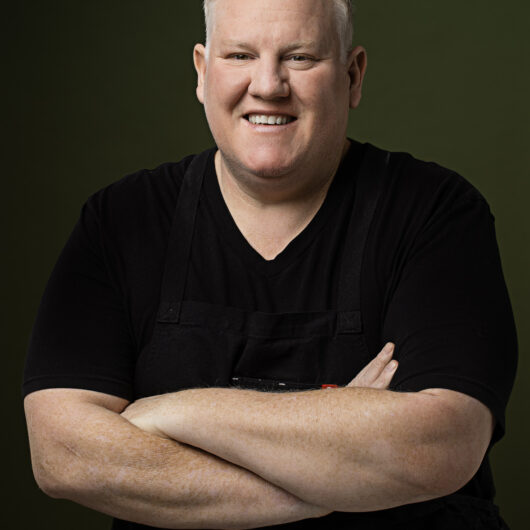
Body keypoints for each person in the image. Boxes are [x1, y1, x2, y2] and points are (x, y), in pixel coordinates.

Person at [22, 0, 517, 528]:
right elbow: (63, 456)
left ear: (352, 76)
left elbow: (440, 446)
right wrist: (344, 465)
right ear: (202, 71)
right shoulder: (121, 220)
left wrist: (173, 413)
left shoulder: (435, 213)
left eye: (299, 57)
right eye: (240, 55)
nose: (267, 85)